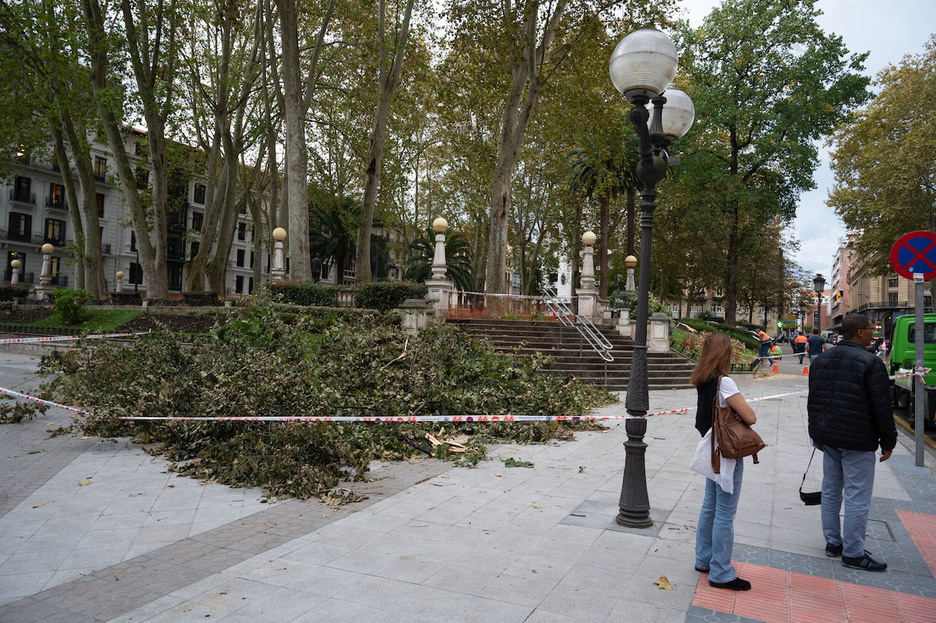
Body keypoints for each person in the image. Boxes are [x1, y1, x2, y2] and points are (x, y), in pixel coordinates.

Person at [807, 313, 897, 572]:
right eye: (871, 328)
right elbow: (882, 407)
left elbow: (814, 400)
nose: (874, 332)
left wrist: (816, 435)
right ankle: (854, 553)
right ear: (859, 332)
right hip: (857, 439)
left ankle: (833, 542)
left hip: (829, 438)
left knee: (832, 490)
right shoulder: (870, 362)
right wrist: (888, 441)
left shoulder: (822, 360)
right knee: (858, 495)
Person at [691, 333, 758, 591]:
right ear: (724, 353)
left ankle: (703, 559)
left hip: (711, 450)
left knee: (710, 506)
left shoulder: (703, 379)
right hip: (727, 454)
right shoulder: (724, 382)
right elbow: (750, 417)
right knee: (725, 512)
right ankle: (721, 572)